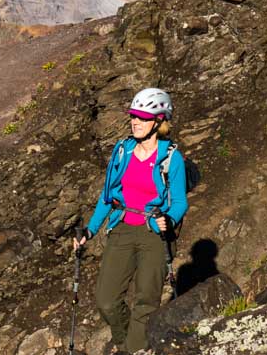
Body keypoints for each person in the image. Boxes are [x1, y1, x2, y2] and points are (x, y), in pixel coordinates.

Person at [73, 87, 188, 354]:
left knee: (146, 302)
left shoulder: (172, 157)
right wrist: (89, 231)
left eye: (142, 117)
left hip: (154, 234)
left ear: (159, 121)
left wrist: (168, 220)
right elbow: (107, 198)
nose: (135, 121)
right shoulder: (122, 151)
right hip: (122, 227)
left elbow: (180, 201)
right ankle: (127, 344)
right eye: (133, 116)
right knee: (106, 300)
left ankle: (134, 350)